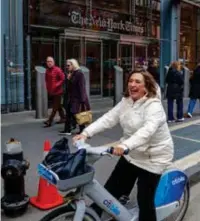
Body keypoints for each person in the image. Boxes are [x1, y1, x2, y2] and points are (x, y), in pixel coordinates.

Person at [73, 71, 174, 221]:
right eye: (131, 81)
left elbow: (146, 131)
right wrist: (86, 133)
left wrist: (125, 145)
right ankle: (95, 216)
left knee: (144, 200)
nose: (133, 84)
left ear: (146, 86)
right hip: (132, 154)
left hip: (153, 158)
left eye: (138, 82)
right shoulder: (126, 102)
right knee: (112, 189)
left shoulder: (154, 106)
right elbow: (109, 118)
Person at [59, 59, 90, 135]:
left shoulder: (79, 74)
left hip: (77, 98)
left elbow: (81, 87)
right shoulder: (71, 73)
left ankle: (82, 130)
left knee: (77, 114)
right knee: (69, 113)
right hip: (71, 97)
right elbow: (68, 86)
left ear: (73, 65)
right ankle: (67, 130)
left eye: (68, 65)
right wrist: (68, 79)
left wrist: (82, 100)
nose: (67, 67)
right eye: (66, 65)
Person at [44, 56, 65, 127]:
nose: (49, 63)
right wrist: (48, 88)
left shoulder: (58, 70)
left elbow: (62, 79)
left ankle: (49, 121)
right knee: (58, 106)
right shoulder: (47, 70)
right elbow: (46, 80)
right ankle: (63, 118)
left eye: (50, 61)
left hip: (58, 91)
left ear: (53, 62)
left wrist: (56, 85)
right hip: (51, 91)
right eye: (48, 61)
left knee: (55, 107)